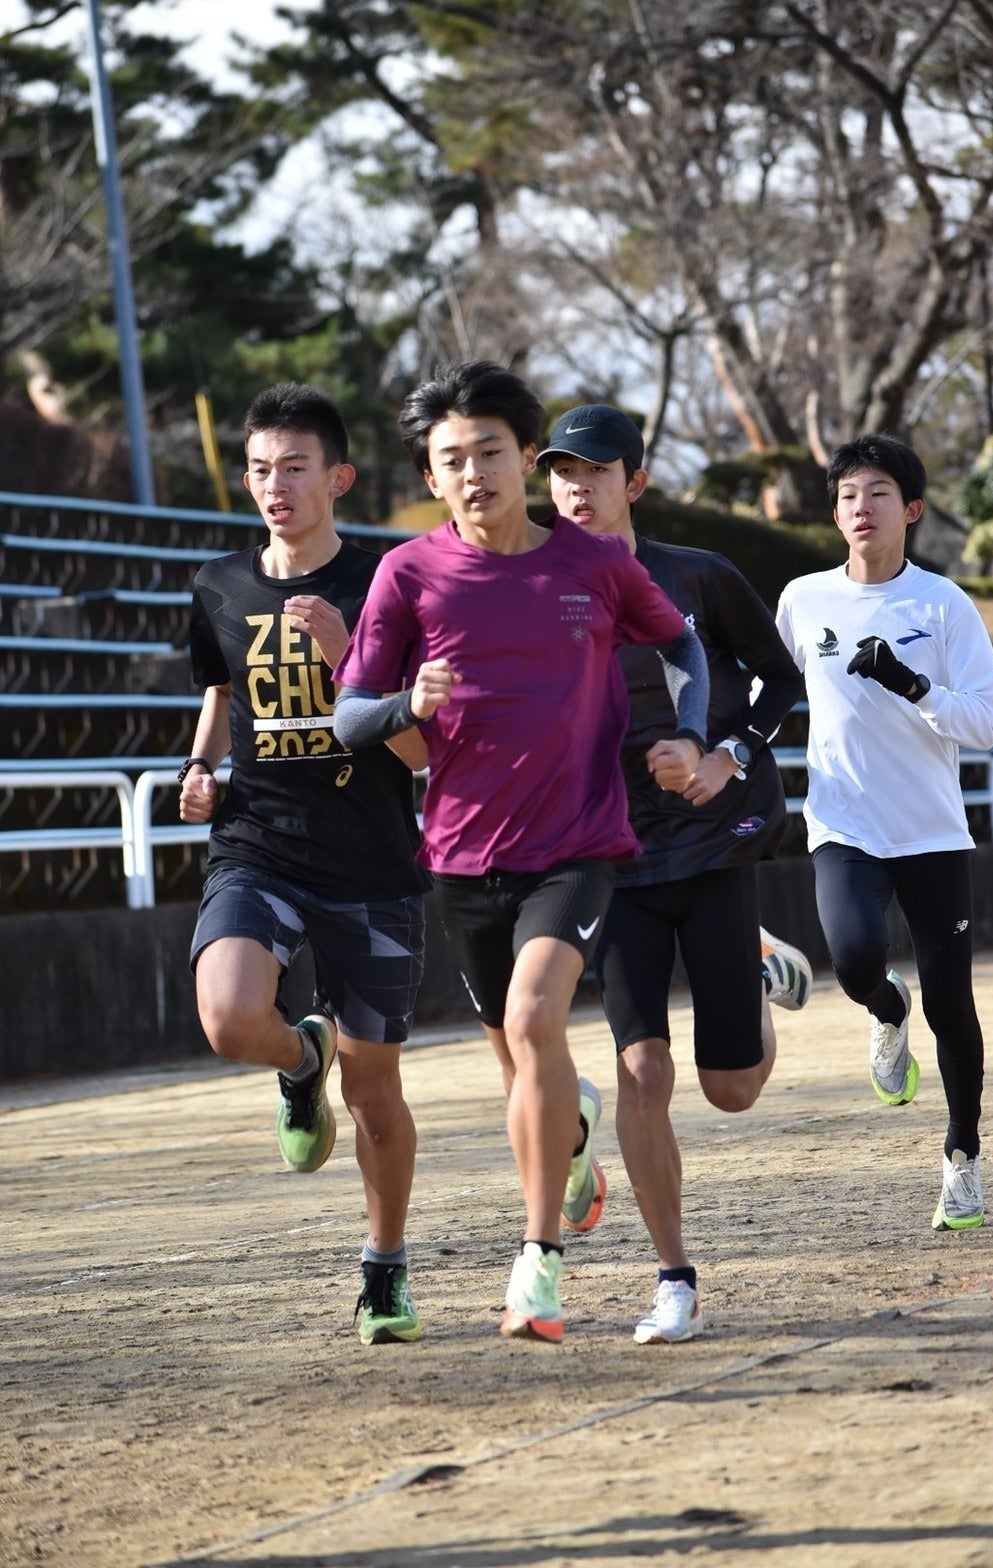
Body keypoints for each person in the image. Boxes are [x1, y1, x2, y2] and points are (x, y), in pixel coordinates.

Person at [332, 360, 711, 1343]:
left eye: (490, 452)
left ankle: (538, 1261)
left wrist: (690, 734)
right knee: (519, 1061)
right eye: (452, 459)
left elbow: (681, 643)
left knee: (534, 1014)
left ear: (525, 457)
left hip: (577, 846)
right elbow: (347, 716)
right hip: (462, 858)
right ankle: (568, 1136)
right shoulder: (407, 573)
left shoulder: (590, 564)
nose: (474, 473)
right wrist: (403, 704)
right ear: (431, 474)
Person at [539, 403, 811, 1345]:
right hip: (611, 856)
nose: (577, 488)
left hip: (715, 838)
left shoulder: (698, 575)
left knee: (731, 1088)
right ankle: (674, 1279)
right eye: (563, 472)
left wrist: (725, 755)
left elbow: (782, 679)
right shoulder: (534, 591)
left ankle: (759, 968)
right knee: (641, 1068)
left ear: (636, 482)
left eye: (596, 471)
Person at [178, 382, 430, 1346]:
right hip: (259, 845)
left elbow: (423, 752)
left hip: (370, 862)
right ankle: (299, 1057)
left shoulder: (387, 584)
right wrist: (199, 769)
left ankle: (384, 1268)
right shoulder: (218, 585)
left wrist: (348, 656)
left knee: (374, 1098)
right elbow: (217, 693)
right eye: (259, 470)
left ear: (339, 478)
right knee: (229, 1016)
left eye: (294, 468)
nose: (274, 487)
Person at [775, 433, 993, 1231]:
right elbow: (766, 690)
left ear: (911, 510)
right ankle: (883, 1007)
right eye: (847, 495)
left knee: (952, 1001)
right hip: (842, 823)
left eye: (877, 493)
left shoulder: (943, 604)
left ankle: (963, 1155)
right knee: (854, 959)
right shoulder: (803, 599)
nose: (860, 507)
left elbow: (985, 723)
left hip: (931, 832)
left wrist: (911, 684)